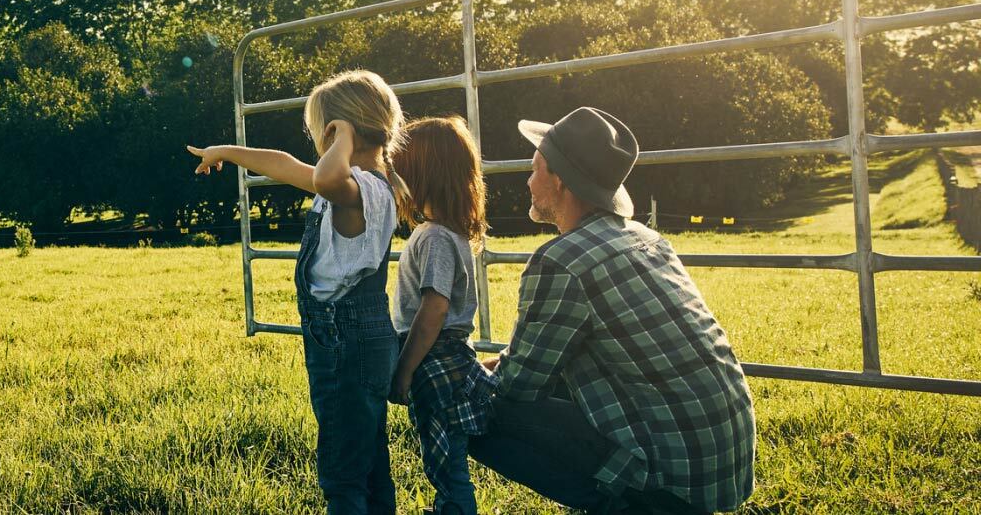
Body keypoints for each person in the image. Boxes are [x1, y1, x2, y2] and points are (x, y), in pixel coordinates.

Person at [469, 107, 756, 514]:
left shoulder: (560, 261)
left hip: (670, 479)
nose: (528, 180)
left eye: (536, 169)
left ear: (560, 181)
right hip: (720, 461)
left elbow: (518, 387)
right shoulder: (646, 238)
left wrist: (456, 376)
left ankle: (626, 505)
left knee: (467, 405)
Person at [188, 70, 407, 514]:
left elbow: (325, 178)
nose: (319, 146)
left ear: (340, 133)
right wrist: (225, 152)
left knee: (343, 469)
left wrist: (341, 134)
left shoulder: (361, 187)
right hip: (353, 338)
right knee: (365, 458)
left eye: (322, 133)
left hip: (345, 340)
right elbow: (286, 164)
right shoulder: (355, 183)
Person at [387, 116, 497, 515]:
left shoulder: (433, 236)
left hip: (433, 363)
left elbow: (433, 310)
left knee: (448, 471)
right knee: (448, 463)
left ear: (421, 176)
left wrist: (403, 371)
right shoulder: (448, 233)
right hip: (446, 360)